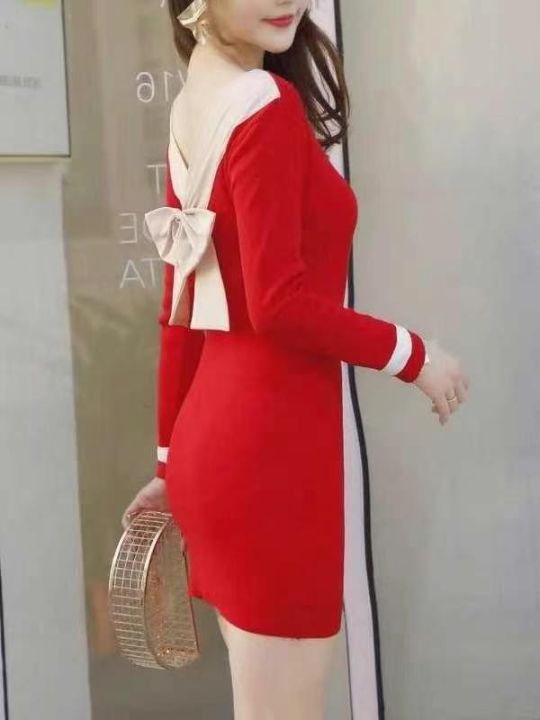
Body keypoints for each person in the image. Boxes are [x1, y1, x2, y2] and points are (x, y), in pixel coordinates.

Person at [122, 1, 470, 717]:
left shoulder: (193, 106)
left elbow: (177, 316)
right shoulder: (264, 103)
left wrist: (166, 463)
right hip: (269, 459)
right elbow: (278, 303)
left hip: (214, 452)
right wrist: (413, 354)